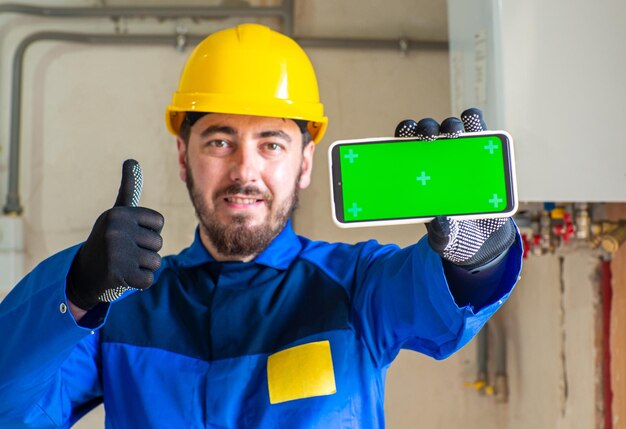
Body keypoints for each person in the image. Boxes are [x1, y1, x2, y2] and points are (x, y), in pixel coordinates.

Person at [0, 23, 522, 428]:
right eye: (219, 141)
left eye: (271, 143)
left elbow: (442, 302)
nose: (245, 170)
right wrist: (74, 291)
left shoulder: (356, 285)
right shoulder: (122, 310)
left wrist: (477, 250)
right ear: (183, 156)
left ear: (306, 161)